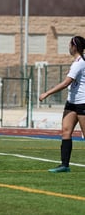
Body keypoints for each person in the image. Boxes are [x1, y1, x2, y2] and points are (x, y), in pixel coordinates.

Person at [39, 36, 85, 173]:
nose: (68, 47)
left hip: (82, 103)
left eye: (70, 44)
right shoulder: (77, 62)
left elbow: (66, 83)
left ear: (74, 47)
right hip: (71, 103)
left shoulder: (80, 63)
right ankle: (64, 165)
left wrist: (47, 93)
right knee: (66, 131)